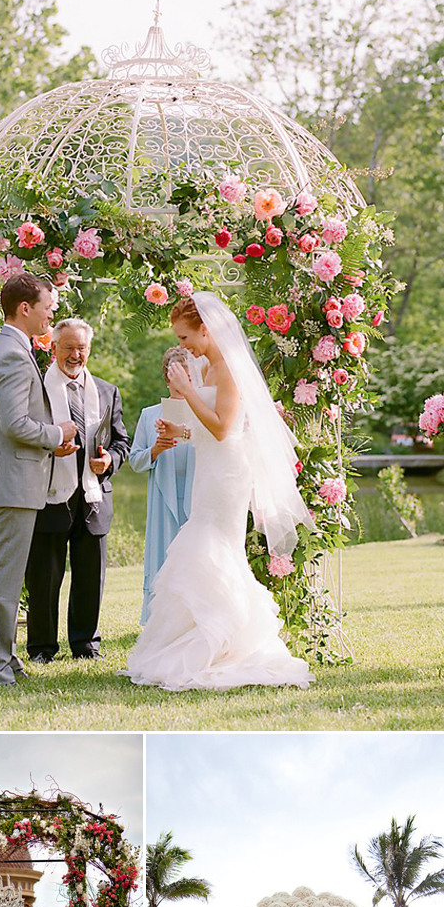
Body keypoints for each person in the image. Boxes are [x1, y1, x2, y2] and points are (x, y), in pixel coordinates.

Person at [127, 291, 314, 691]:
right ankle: (199, 637)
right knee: (202, 544)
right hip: (209, 469)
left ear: (206, 330)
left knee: (211, 546)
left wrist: (186, 388)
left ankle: (227, 639)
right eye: (179, 340)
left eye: (184, 337)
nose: (183, 346)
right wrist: (181, 431)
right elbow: (209, 429)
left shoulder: (228, 368)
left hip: (227, 475)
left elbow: (225, 428)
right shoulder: (207, 366)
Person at [0, 275, 77, 687]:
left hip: (11, 481)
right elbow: (15, 424)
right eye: (48, 305)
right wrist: (57, 434)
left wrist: (51, 444)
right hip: (11, 484)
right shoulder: (13, 356)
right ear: (24, 309)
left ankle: (5, 660)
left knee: (9, 578)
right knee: (2, 580)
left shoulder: (7, 348)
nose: (52, 312)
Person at [25, 317, 129, 662]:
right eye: (68, 347)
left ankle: (86, 646)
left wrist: (109, 462)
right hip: (49, 496)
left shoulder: (106, 391)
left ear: (89, 350)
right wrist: (49, 447)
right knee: (44, 579)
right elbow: (23, 437)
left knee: (90, 579)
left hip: (93, 498)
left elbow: (121, 443)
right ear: (53, 348)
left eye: (81, 348)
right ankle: (41, 648)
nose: (75, 355)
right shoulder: (35, 389)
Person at [129, 347, 196, 622]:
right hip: (163, 496)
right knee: (165, 554)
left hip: (198, 493)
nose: (181, 381)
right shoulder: (149, 414)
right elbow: (135, 460)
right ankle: (162, 619)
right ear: (167, 378)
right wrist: (155, 450)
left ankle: (193, 615)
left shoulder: (202, 410)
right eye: (175, 374)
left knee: (194, 554)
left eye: (188, 375)